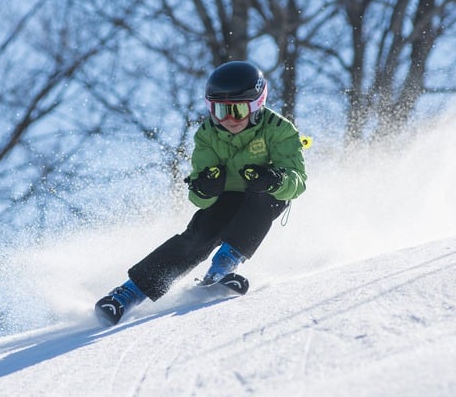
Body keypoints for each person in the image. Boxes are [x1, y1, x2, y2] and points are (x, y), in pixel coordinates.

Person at [95, 61, 307, 325]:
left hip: (263, 194)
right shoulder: (207, 134)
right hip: (226, 197)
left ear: (256, 106)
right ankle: (128, 294)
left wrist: (274, 179)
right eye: (219, 111)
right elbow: (198, 197)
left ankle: (223, 266)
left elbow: (298, 182)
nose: (228, 119)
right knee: (200, 234)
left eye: (237, 110)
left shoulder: (279, 130)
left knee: (267, 200)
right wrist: (205, 188)